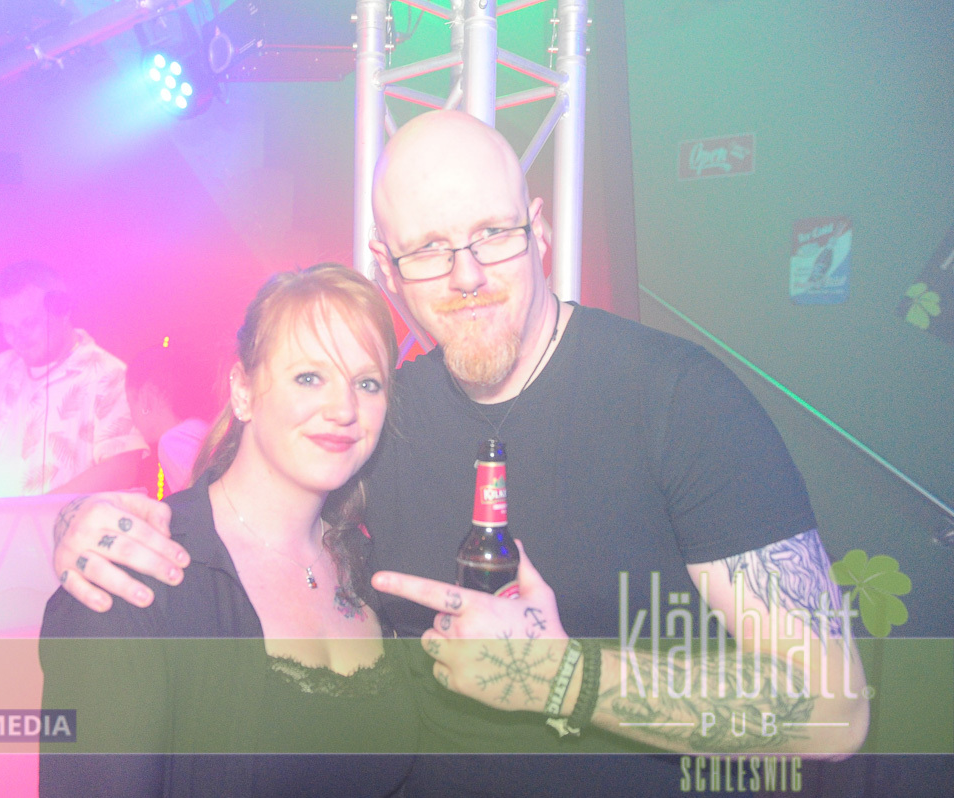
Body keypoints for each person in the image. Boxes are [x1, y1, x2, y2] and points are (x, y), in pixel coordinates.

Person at [48, 112, 869, 796]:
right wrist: (84, 522)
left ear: (539, 229)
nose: (467, 273)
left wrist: (561, 678)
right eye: (430, 248)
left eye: (493, 234)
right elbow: (256, 505)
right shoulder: (380, 416)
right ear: (389, 268)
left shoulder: (677, 401)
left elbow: (834, 712)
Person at [39, 264, 416, 797]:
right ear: (243, 390)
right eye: (310, 377)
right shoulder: (135, 576)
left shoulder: (371, 564)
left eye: (367, 383)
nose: (343, 409)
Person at [0, 260, 147, 498]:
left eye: (29, 324)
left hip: (62, 524)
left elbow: (122, 470)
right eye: (9, 328)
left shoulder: (108, 375)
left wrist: (35, 512)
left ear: (63, 311)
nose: (18, 338)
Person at [125, 343, 211, 497]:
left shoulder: (174, 441)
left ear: (145, 397)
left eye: (130, 403)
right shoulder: (198, 429)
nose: (132, 418)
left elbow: (200, 502)